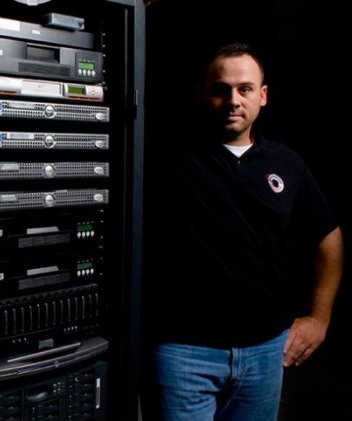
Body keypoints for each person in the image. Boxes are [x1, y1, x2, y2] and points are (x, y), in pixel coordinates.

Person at [140, 42, 344, 421]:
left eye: (245, 89)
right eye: (221, 89)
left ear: (262, 96)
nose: (233, 100)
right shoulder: (166, 157)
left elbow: (327, 236)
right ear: (201, 94)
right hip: (183, 353)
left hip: (265, 352)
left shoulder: (286, 163)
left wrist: (319, 318)